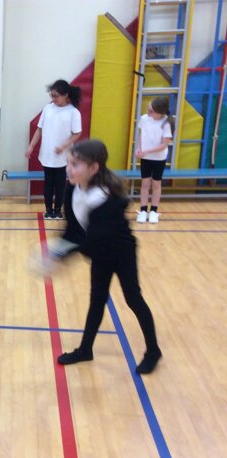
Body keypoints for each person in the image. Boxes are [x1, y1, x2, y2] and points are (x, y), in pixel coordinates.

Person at [54, 140, 161, 375]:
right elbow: (73, 228)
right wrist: (58, 250)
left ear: (93, 168)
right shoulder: (72, 188)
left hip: (120, 252)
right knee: (97, 300)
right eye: (68, 163)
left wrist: (62, 254)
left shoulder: (105, 198)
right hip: (99, 251)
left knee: (133, 299)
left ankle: (153, 351)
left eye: (76, 164)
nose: (69, 169)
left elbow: (90, 240)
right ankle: (85, 349)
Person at [26, 79, 83, 220]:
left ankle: (58, 210)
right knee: (48, 183)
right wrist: (31, 146)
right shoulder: (48, 109)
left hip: (63, 156)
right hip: (47, 154)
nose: (53, 99)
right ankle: (48, 210)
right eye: (52, 95)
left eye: (56, 96)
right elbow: (39, 129)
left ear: (66, 95)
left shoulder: (73, 112)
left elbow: (77, 133)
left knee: (60, 184)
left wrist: (64, 146)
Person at [135, 97, 173, 224]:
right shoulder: (144, 119)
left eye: (151, 111)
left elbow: (164, 145)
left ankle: (153, 211)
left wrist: (147, 151)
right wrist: (139, 148)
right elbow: (142, 134)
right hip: (146, 158)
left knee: (156, 184)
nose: (148, 112)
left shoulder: (166, 123)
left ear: (160, 112)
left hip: (158, 158)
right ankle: (143, 210)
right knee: (145, 184)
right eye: (148, 109)